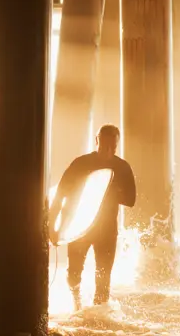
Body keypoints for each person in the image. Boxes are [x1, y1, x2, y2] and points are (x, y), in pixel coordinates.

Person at [49, 124, 136, 311]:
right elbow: (60, 194)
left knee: (103, 278)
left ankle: (98, 318)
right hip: (79, 226)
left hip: (106, 230)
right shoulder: (80, 164)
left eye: (113, 147)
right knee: (73, 274)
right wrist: (53, 227)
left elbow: (131, 199)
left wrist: (108, 191)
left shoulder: (121, 167)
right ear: (97, 141)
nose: (108, 150)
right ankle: (76, 303)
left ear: (117, 145)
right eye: (104, 145)